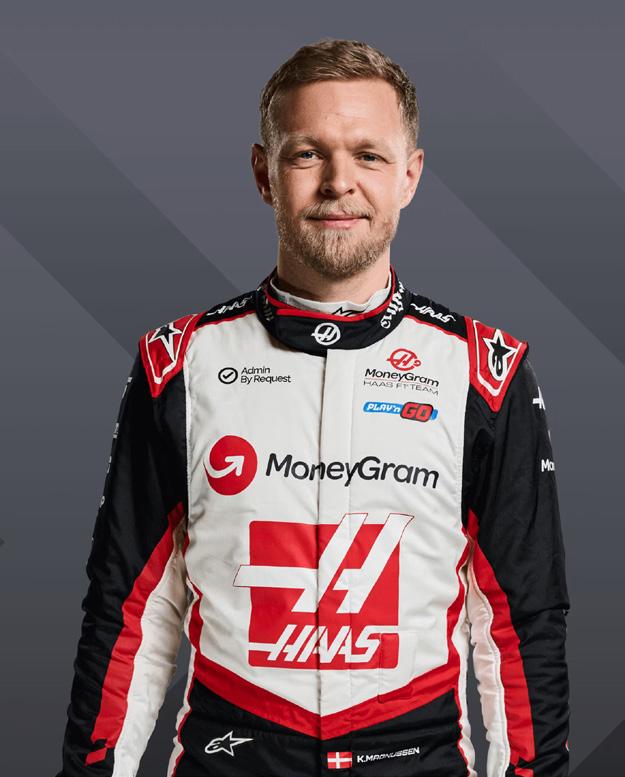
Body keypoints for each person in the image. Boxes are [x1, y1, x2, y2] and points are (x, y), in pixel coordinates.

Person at [55, 38, 570, 777]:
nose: (339, 182)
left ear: (410, 175)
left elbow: (521, 623)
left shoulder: (484, 372)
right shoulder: (179, 363)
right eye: (307, 154)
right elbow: (129, 610)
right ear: (264, 174)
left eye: (368, 155)